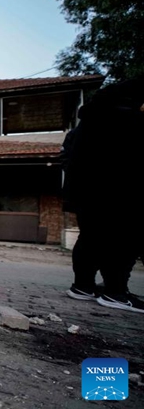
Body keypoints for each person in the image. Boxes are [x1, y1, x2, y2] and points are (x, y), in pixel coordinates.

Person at [62, 78, 144, 313]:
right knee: (124, 239)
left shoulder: (87, 123)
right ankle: (116, 291)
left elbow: (68, 158)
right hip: (120, 194)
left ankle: (83, 286)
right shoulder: (127, 121)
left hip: (85, 193)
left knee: (90, 237)